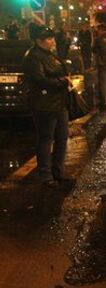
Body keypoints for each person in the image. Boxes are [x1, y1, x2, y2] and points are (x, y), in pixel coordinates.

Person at [22, 27, 72, 186]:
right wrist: (63, 81)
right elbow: (40, 80)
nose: (52, 41)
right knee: (45, 138)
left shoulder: (49, 54)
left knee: (62, 138)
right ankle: (45, 175)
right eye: (48, 39)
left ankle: (58, 172)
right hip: (43, 104)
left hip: (59, 102)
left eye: (52, 38)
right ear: (38, 40)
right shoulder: (33, 57)